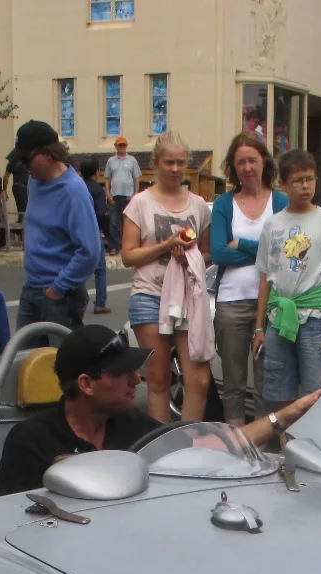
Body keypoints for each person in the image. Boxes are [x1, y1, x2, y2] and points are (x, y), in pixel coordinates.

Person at [0, 324, 321, 495]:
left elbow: (219, 446)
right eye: (122, 373)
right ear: (86, 384)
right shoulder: (29, 442)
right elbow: (7, 528)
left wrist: (287, 415)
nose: (136, 379)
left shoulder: (132, 425)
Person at [120, 130, 212, 422]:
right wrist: (166, 245)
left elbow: (208, 253)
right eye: (169, 162)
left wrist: (191, 255)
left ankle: (184, 448)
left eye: (181, 163)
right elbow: (128, 255)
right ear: (155, 163)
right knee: (158, 381)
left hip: (189, 298)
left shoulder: (198, 204)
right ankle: (160, 450)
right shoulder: (140, 203)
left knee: (198, 381)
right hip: (149, 294)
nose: (175, 169)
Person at [255, 149, 321, 410]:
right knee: (280, 392)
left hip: (313, 318)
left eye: (310, 179)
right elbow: (265, 277)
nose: (305, 186)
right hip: (277, 318)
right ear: (282, 184)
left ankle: (314, 446)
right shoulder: (273, 224)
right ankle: (285, 447)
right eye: (298, 180)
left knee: (317, 391)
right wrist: (258, 327)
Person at [210, 132, 286, 423]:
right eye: (240, 162)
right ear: (233, 167)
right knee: (234, 385)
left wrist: (241, 244)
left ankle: (264, 448)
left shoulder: (280, 201)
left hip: (273, 306)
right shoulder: (224, 204)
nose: (247, 168)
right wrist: (267, 253)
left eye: (252, 160)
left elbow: (287, 253)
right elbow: (217, 253)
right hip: (231, 304)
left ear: (264, 162)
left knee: (269, 386)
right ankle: (237, 452)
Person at [8, 119, 100, 339]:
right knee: (24, 365)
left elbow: (90, 252)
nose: (24, 167)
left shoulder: (74, 191)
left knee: (61, 367)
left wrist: (58, 288)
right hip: (31, 287)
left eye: (27, 160)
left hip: (61, 294)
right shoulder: (34, 182)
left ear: (48, 154)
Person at [77, 157, 112, 313]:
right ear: (96, 172)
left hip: (76, 230)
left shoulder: (77, 187)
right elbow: (100, 213)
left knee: (78, 266)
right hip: (92, 231)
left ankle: (79, 300)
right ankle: (100, 302)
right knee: (100, 269)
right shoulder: (98, 190)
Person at [103, 136, 141, 254]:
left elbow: (136, 178)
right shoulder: (110, 161)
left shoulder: (132, 160)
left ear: (126, 146)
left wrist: (135, 194)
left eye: (124, 145)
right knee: (113, 222)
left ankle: (128, 247)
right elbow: (107, 179)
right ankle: (114, 247)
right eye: (120, 145)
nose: (122, 147)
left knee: (128, 223)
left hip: (129, 196)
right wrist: (108, 194)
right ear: (116, 146)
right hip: (115, 196)